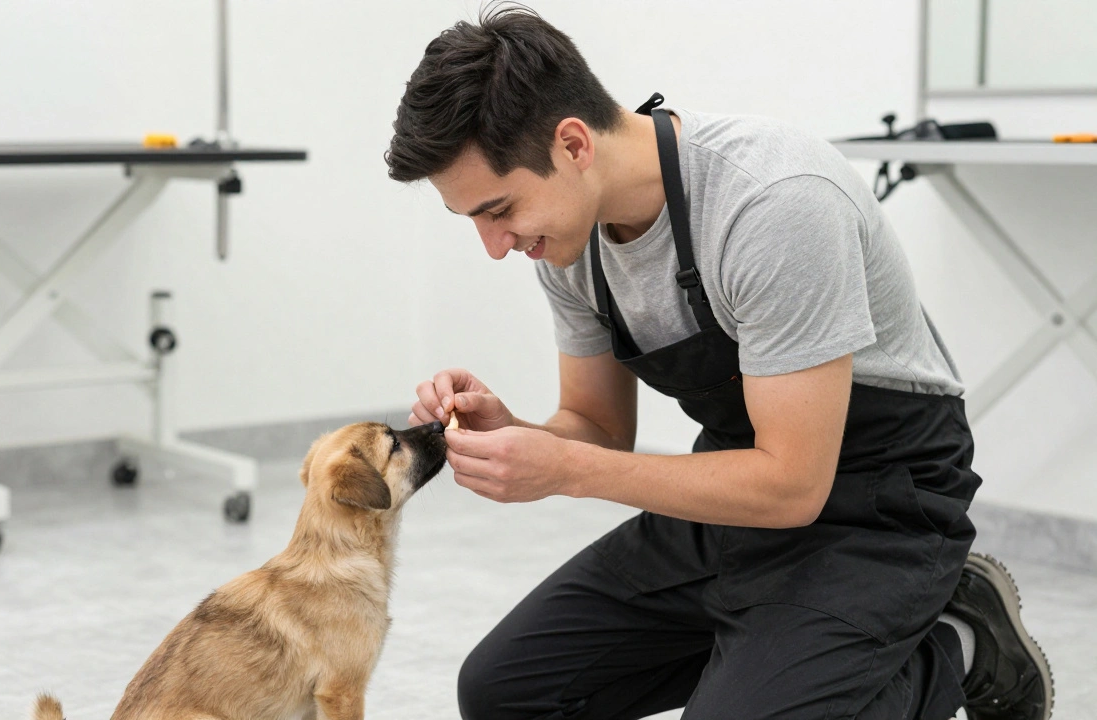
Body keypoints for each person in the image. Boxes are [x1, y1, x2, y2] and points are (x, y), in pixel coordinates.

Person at [384, 5, 1053, 720]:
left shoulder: (772, 203)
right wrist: (514, 430)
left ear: (573, 144)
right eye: (475, 222)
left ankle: (957, 645)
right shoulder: (569, 242)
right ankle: (779, 652)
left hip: (877, 498)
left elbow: (794, 485)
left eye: (499, 210)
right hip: (739, 482)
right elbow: (596, 428)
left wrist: (566, 471)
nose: (496, 245)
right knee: (504, 693)